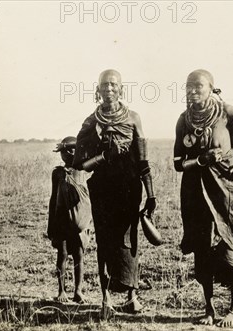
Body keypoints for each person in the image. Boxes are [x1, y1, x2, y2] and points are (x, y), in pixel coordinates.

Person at [173, 69, 233, 327]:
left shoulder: (227, 112)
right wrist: (202, 160)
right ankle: (209, 309)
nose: (192, 90)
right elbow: (178, 163)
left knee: (230, 242)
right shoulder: (184, 120)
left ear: (211, 88)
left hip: (227, 188)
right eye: (188, 86)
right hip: (195, 189)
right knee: (202, 245)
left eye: (198, 86)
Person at [72, 69, 157, 320]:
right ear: (97, 90)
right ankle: (105, 298)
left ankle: (131, 296)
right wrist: (103, 157)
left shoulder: (133, 118)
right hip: (102, 189)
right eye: (104, 85)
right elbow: (79, 163)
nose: (109, 89)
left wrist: (151, 195)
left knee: (129, 239)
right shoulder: (91, 122)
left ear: (121, 89)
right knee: (105, 241)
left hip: (130, 188)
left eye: (113, 84)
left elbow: (143, 161)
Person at [47, 136, 92, 304]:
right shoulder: (58, 173)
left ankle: (78, 291)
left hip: (79, 220)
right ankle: (61, 291)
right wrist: (51, 224)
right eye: (63, 153)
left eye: (66, 152)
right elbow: (53, 198)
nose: (64, 156)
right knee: (63, 254)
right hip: (61, 219)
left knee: (79, 255)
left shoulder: (84, 170)